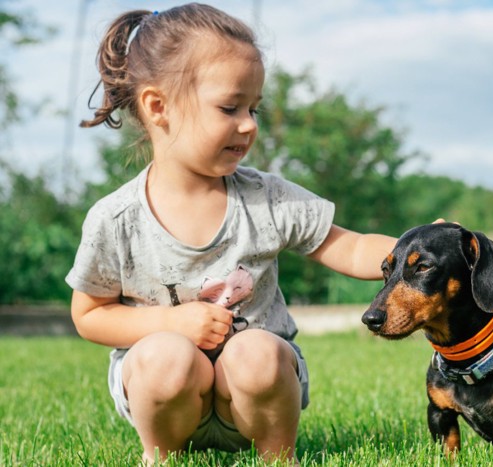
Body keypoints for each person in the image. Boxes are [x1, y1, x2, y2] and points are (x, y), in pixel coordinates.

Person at [66, 4, 398, 464]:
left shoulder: (266, 198)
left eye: (254, 108)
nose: (249, 124)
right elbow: (90, 314)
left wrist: (418, 250)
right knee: (165, 356)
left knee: (258, 352)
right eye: (230, 107)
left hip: (256, 395)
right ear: (157, 106)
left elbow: (352, 246)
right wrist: (168, 323)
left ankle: (278, 457)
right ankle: (158, 457)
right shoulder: (116, 219)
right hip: (167, 398)